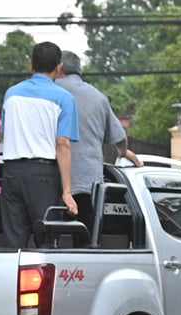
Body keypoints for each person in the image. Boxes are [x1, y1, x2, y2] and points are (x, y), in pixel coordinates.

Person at [0, 41, 79, 248]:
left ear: (31, 65)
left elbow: (5, 133)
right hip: (43, 175)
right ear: (59, 68)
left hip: (11, 173)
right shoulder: (64, 98)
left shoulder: (11, 94)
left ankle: (11, 280)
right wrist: (67, 191)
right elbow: (62, 144)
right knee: (47, 241)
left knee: (14, 244)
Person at [56, 51, 135, 223]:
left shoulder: (50, 91)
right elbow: (119, 138)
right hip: (88, 182)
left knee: (49, 236)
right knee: (85, 237)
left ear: (59, 68)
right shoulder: (99, 98)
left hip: (53, 179)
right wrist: (123, 152)